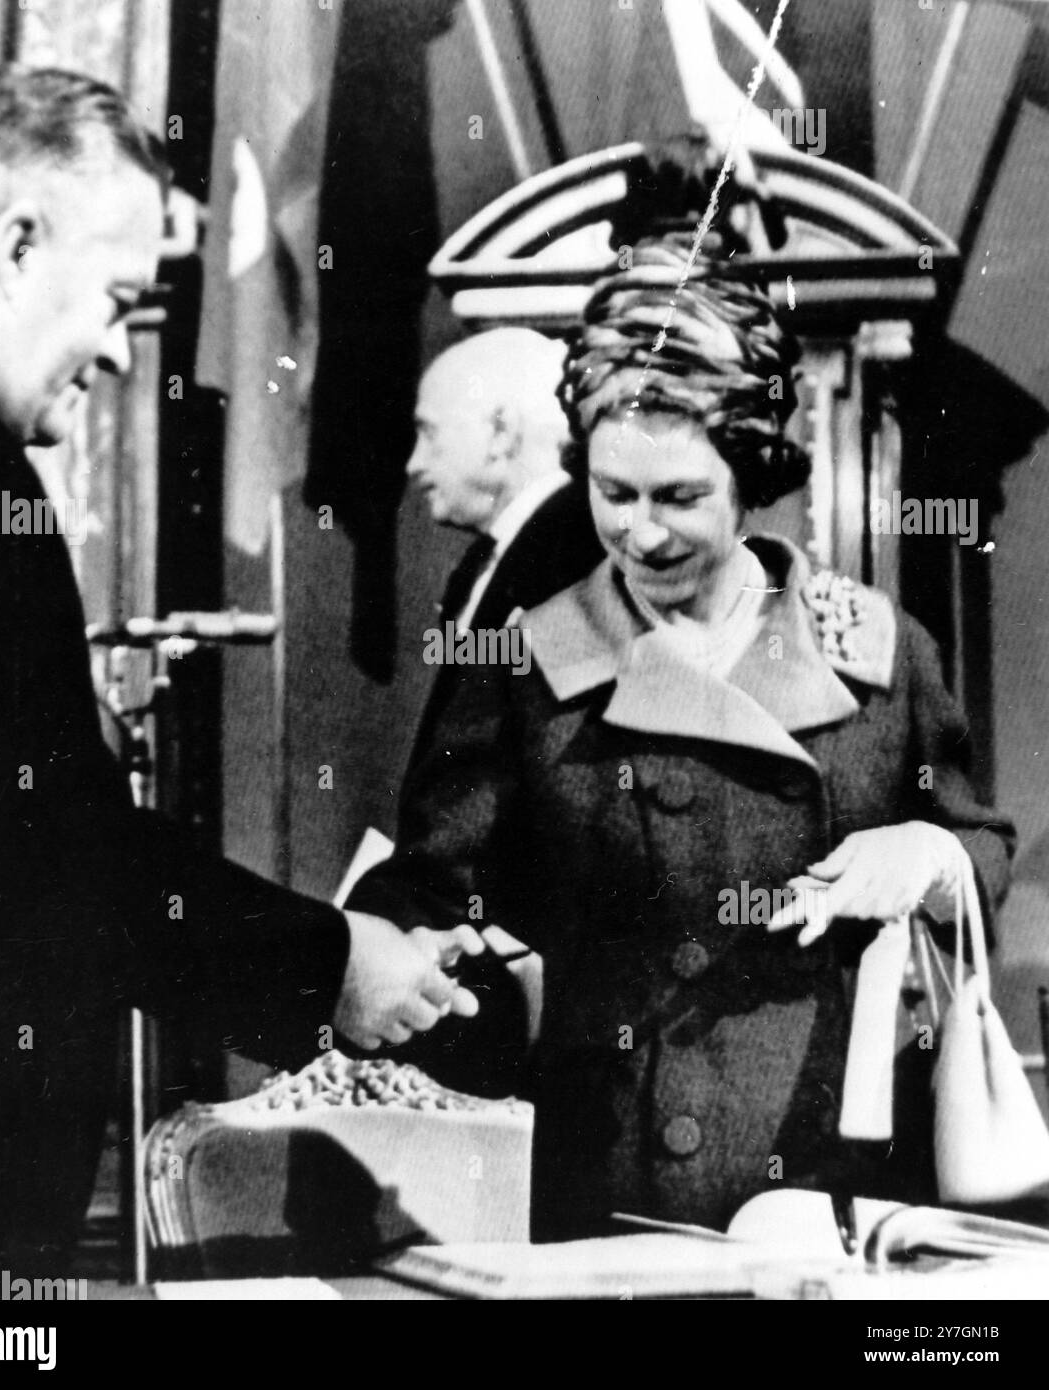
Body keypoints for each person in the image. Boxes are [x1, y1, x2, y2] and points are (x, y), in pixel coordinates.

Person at [0, 64, 481, 1298]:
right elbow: (50, 853)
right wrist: (328, 963)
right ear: (16, 242)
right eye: (114, 299)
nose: (119, 350)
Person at [349, 236, 1015, 1240]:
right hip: (621, 1189)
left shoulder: (877, 652)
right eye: (613, 494)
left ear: (751, 481)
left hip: (846, 1183)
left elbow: (980, 843)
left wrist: (925, 857)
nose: (642, 535)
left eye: (679, 498)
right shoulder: (526, 663)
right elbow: (424, 895)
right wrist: (430, 954)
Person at [406, 327, 602, 756]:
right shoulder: (488, 560)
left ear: (501, 431)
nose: (414, 464)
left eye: (430, 433)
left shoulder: (574, 558)